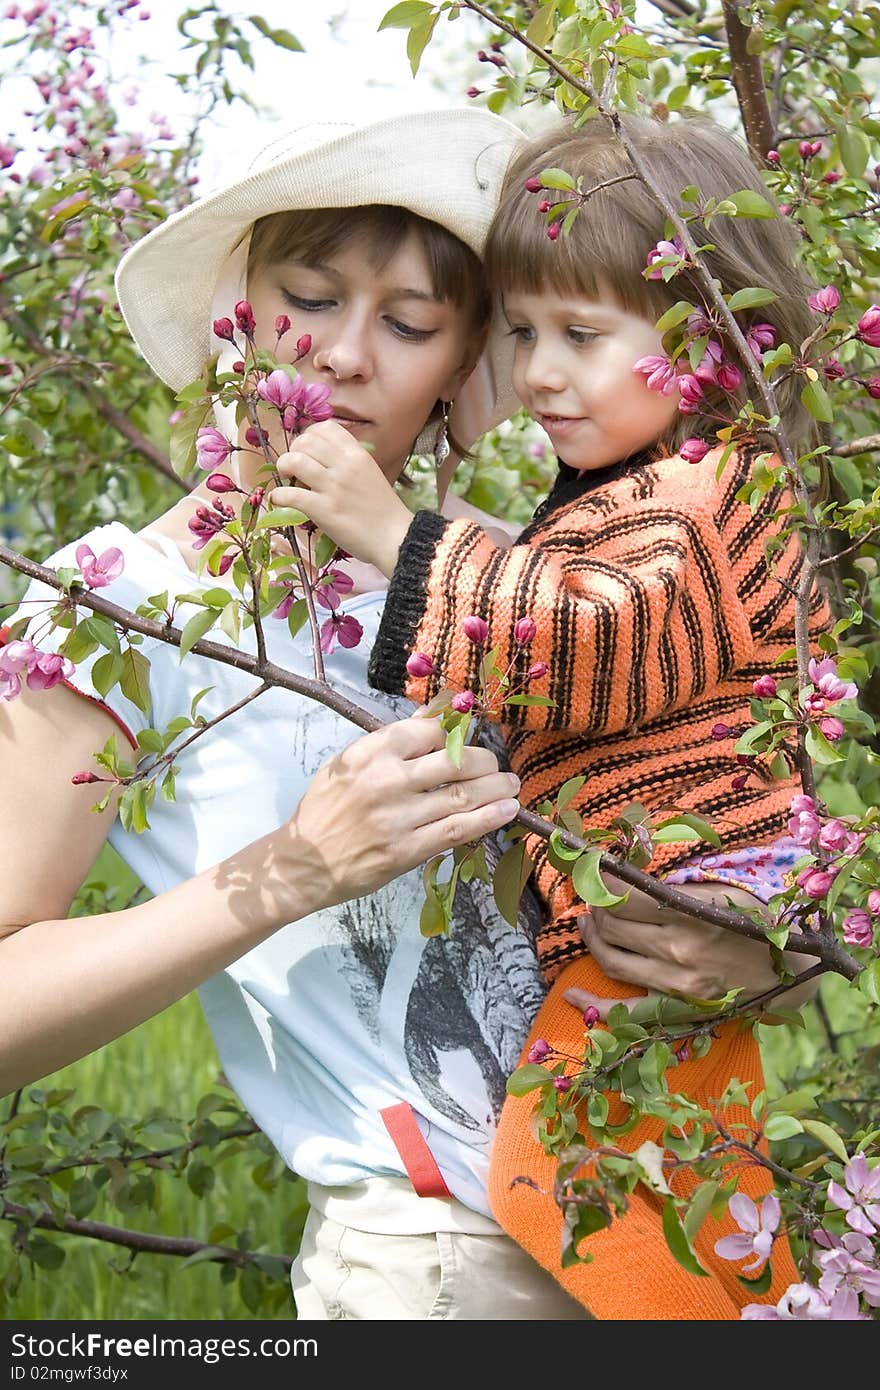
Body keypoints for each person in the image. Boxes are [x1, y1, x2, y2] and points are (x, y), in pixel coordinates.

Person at [1, 107, 808, 1323]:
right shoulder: (118, 610)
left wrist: (763, 952)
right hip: (438, 1268)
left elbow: (711, 824)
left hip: (667, 1231)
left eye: (411, 323)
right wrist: (290, 869)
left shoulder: (519, 587)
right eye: (311, 296)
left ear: (464, 361)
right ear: (240, 308)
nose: (341, 355)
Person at [270, 112, 832, 1318]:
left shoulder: (705, 489)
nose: (535, 373)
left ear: (717, 348)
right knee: (667, 1174)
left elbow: (587, 642)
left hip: (670, 909)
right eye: (520, 332)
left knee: (578, 1177)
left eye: (581, 334)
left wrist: (391, 535)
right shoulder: (639, 486)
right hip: (643, 922)